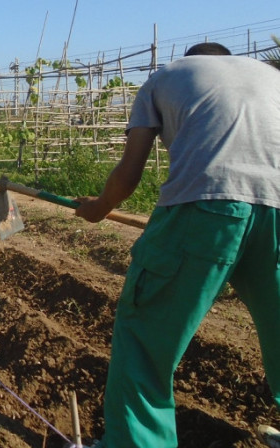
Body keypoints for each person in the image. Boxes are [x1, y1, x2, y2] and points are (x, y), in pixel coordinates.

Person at [74, 42, 280, 448]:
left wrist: (99, 207)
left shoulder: (165, 77)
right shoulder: (271, 77)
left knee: (144, 335)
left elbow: (130, 171)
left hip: (205, 204)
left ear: (190, 58)